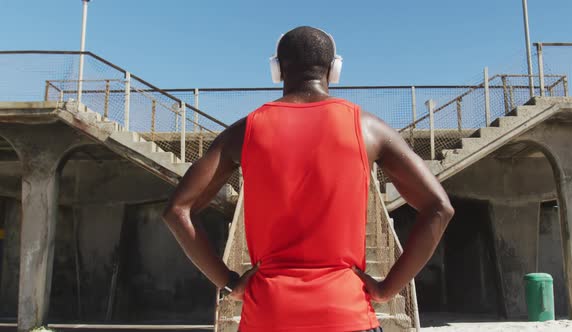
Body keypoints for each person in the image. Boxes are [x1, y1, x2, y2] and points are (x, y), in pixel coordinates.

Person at [163, 26, 454, 332]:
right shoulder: (368, 128)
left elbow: (177, 210)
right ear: (334, 69)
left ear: (277, 70)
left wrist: (230, 282)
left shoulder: (244, 131)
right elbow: (439, 208)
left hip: (268, 317)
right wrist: (386, 289)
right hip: (346, 315)